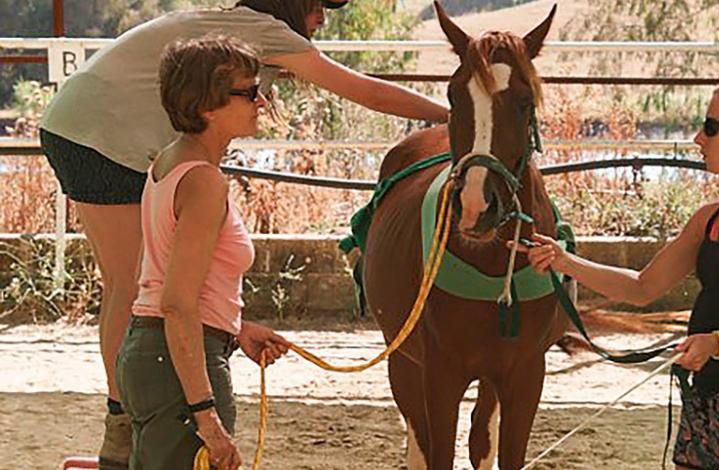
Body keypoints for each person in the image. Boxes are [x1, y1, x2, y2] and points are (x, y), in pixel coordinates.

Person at [38, 1, 448, 467]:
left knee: (128, 283)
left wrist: (233, 328)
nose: (323, 18)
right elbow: (364, 91)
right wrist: (454, 115)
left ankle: (124, 431)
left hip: (81, 121)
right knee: (135, 287)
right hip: (101, 132)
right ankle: (124, 434)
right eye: (319, 5)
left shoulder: (228, 24)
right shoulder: (263, 32)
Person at [517, 78, 719, 470]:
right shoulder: (710, 217)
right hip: (704, 403)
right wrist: (563, 260)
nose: (697, 138)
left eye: (710, 127)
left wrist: (718, 344)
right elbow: (642, 287)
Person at [114, 35, 290, 470]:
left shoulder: (169, 163)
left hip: (154, 353)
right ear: (207, 105)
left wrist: (235, 327)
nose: (261, 102)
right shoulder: (204, 182)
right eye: (249, 92)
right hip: (178, 365)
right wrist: (206, 417)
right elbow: (175, 304)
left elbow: (163, 278)